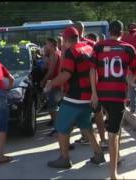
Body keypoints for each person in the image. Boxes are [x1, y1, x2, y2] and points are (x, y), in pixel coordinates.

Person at [44, 27, 105, 169]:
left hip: (75, 97)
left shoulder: (72, 52)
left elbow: (66, 74)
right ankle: (98, 154)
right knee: (86, 126)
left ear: (65, 40)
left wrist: (51, 83)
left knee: (61, 126)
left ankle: (64, 159)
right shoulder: (88, 48)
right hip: (88, 96)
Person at [90, 20, 136, 180]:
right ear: (122, 32)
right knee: (114, 134)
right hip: (118, 96)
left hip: (100, 95)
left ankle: (116, 155)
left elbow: (92, 69)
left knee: (111, 126)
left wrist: (93, 92)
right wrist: (130, 81)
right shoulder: (128, 48)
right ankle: (113, 175)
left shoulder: (98, 47)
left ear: (108, 32)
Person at [73, 21, 107, 148]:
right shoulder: (91, 44)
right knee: (92, 112)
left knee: (92, 112)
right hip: (88, 84)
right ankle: (94, 138)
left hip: (85, 85)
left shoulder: (76, 45)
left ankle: (97, 138)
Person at [40, 38, 62, 135]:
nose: (45, 46)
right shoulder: (60, 52)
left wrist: (43, 80)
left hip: (54, 83)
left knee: (53, 107)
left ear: (52, 45)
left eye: (47, 44)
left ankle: (58, 128)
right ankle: (58, 127)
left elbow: (51, 71)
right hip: (59, 83)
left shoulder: (54, 54)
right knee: (56, 106)